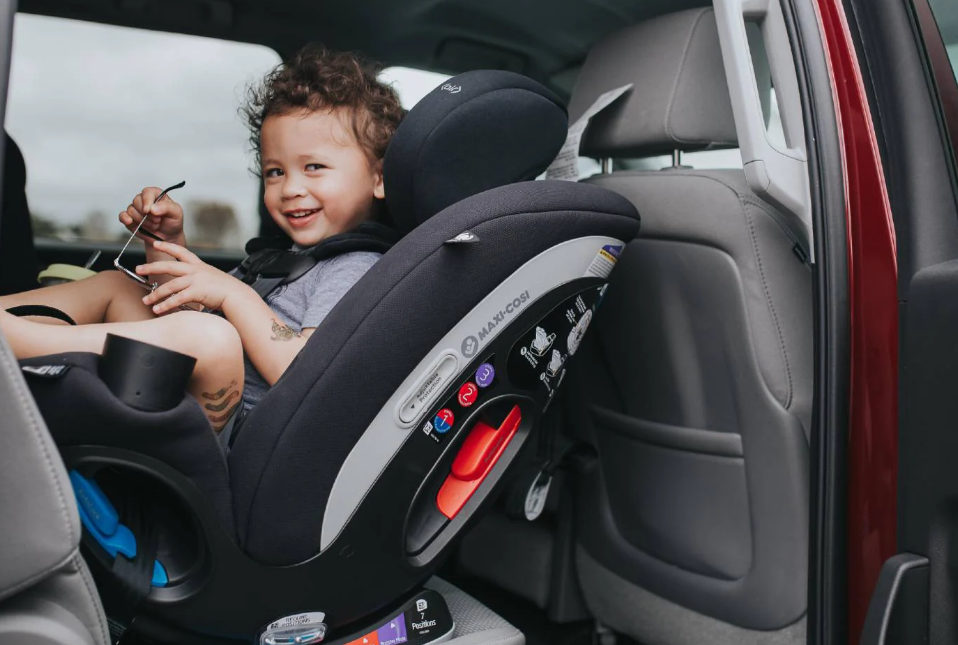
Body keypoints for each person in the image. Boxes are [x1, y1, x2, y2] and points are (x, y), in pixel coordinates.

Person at [0, 46, 405, 434]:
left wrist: (234, 295)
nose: (290, 188)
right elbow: (189, 309)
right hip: (197, 391)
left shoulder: (357, 267)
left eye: (314, 167)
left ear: (380, 177)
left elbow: (307, 378)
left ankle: (18, 342)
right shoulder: (282, 260)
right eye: (275, 172)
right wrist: (165, 242)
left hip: (241, 434)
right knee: (121, 285)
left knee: (211, 338)